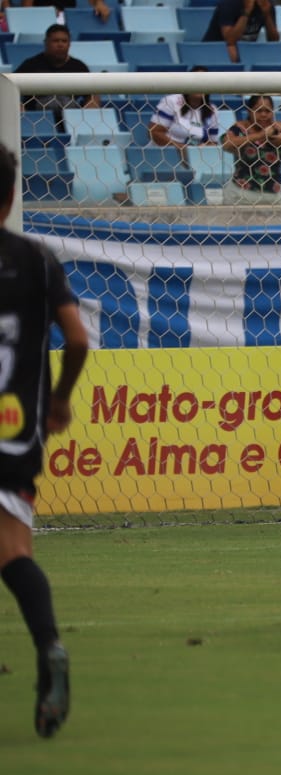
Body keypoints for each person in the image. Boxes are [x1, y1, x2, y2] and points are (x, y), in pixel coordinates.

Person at [0, 141, 89, 737]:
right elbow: (78, 340)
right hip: (13, 431)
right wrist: (59, 400)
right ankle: (50, 645)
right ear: (10, 198)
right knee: (14, 551)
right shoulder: (36, 260)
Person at [220, 95, 281, 205]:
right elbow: (227, 143)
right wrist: (261, 135)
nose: (263, 114)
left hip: (272, 197)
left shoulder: (278, 128)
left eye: (267, 111)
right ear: (249, 111)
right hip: (240, 195)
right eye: (258, 110)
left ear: (272, 112)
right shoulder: (240, 128)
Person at [15, 24, 100, 113]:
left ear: (69, 44)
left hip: (71, 118)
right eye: (55, 41)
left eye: (64, 41)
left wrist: (89, 112)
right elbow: (10, 88)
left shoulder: (79, 67)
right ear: (46, 42)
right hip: (38, 118)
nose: (60, 45)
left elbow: (92, 94)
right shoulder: (31, 65)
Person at [148, 67, 220, 150]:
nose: (199, 85)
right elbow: (154, 132)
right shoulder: (171, 101)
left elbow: (212, 143)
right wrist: (182, 149)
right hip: (164, 154)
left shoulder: (212, 110)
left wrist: (199, 150)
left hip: (195, 158)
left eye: (203, 82)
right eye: (195, 81)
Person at [202, 0, 280, 64]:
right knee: (232, 51)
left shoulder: (266, 5)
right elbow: (230, 40)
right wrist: (246, 12)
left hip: (245, 54)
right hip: (213, 53)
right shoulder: (227, 5)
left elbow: (274, 40)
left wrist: (267, 14)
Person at [1, 1, 110, 25]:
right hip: (40, 22)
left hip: (69, 22)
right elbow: (26, 12)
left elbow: (95, 2)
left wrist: (99, 4)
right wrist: (46, 13)